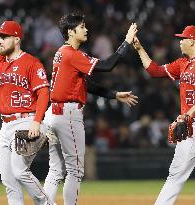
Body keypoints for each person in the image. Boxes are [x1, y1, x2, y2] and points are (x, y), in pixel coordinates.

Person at [44, 12, 138, 205]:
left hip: (53, 114)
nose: (86, 29)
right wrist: (127, 42)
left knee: (55, 169)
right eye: (82, 27)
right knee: (75, 170)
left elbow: (87, 84)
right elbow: (108, 65)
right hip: (68, 115)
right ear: (71, 32)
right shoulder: (71, 54)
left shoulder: (61, 53)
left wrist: (113, 94)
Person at [133, 25, 195, 205]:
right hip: (190, 125)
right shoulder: (182, 63)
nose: (180, 41)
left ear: (193, 41)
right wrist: (139, 48)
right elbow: (154, 71)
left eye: (183, 38)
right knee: (176, 174)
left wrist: (188, 113)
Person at [0, 21, 52, 205]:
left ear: (17, 39)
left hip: (28, 120)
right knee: (8, 179)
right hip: (6, 126)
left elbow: (43, 93)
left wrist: (37, 122)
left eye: (4, 37)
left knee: (19, 171)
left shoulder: (32, 62)